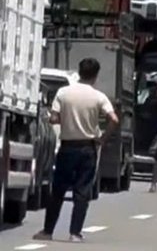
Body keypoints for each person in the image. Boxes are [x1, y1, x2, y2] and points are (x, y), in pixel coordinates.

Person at [33, 58, 118, 243]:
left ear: (79, 72)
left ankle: (48, 231)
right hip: (88, 147)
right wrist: (103, 138)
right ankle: (75, 233)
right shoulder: (99, 96)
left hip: (67, 147)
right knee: (82, 191)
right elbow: (114, 119)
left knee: (58, 190)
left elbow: (53, 118)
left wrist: (67, 119)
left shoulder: (63, 93)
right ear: (96, 75)